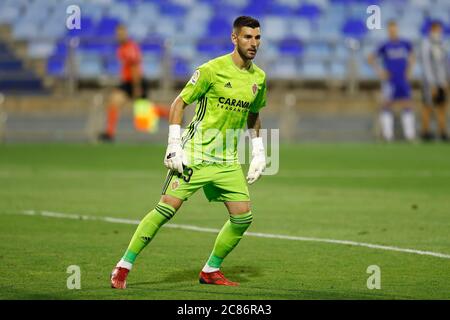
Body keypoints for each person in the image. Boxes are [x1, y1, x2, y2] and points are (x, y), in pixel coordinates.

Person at [110, 16, 267, 288]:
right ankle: (124, 265)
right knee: (166, 209)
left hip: (227, 160)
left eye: (257, 38)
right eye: (247, 37)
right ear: (234, 38)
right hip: (195, 153)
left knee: (243, 217)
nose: (253, 43)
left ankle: (210, 270)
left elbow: (253, 115)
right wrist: (173, 145)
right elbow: (178, 104)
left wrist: (259, 151)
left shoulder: (259, 78)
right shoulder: (211, 70)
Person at [98, 24, 148, 142]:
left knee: (147, 111)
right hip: (127, 83)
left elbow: (135, 67)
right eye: (118, 34)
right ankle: (109, 133)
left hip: (135, 82)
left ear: (126, 34)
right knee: (114, 102)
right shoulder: (121, 48)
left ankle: (173, 114)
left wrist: (137, 87)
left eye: (121, 33)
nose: (119, 36)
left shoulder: (130, 48)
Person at [368, 20, 416, 142]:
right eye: (390, 29)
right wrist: (379, 71)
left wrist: (409, 70)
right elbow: (370, 58)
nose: (392, 31)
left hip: (402, 78)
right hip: (390, 80)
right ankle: (388, 135)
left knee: (407, 103)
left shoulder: (405, 43)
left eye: (394, 29)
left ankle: (410, 135)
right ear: (388, 30)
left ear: (397, 29)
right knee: (387, 104)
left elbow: (412, 56)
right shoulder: (384, 45)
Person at [420, 21, 449, 142]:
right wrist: (431, 83)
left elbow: (445, 64)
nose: (438, 32)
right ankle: (425, 132)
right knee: (428, 106)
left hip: (442, 81)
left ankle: (442, 131)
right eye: (436, 30)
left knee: (443, 106)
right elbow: (426, 65)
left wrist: (446, 81)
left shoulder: (443, 44)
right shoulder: (426, 44)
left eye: (439, 30)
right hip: (430, 82)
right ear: (431, 30)